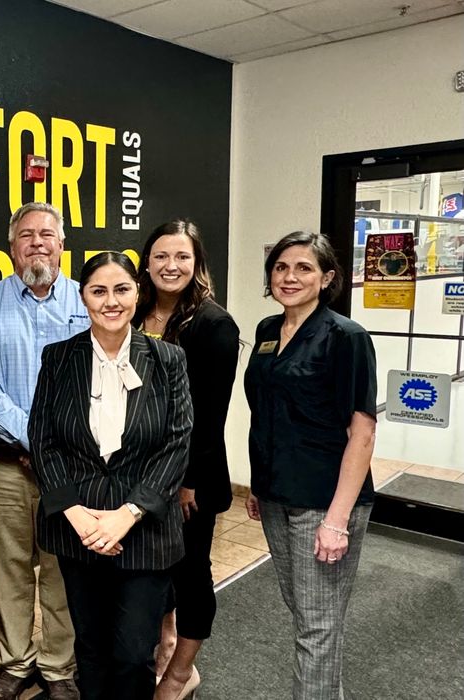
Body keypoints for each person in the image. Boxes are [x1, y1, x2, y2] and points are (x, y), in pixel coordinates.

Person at [28, 251, 192, 700]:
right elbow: (43, 440)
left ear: (138, 293)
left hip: (144, 531)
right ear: (83, 297)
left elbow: (177, 444)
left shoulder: (168, 359)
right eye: (98, 291)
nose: (111, 301)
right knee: (92, 649)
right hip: (78, 531)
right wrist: (78, 515)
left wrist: (128, 514)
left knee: (134, 653)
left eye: (121, 289)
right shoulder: (59, 358)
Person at [244, 231, 377, 700]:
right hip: (277, 494)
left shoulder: (346, 337)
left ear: (327, 278)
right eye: (281, 267)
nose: (290, 276)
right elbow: (268, 413)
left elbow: (362, 431)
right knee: (307, 615)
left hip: (325, 501)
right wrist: (259, 486)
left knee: (317, 627)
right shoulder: (265, 331)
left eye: (304, 268)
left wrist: (337, 521)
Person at [0, 202, 84, 700]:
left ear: (61, 245)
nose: (37, 242)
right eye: (26, 235)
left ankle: (58, 666)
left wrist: (56, 444)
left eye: (47, 234)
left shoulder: (86, 299)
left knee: (61, 567)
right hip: (9, 464)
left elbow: (93, 378)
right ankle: (15, 660)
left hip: (72, 466)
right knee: (9, 568)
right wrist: (36, 438)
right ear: (11, 247)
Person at [131, 221, 240, 700]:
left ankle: (181, 673)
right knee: (157, 569)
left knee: (191, 572)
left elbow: (210, 416)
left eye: (181, 257)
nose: (170, 267)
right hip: (139, 473)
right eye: (160, 257)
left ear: (197, 264)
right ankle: (167, 640)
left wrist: (188, 481)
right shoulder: (134, 313)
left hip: (188, 478)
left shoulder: (215, 325)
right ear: (147, 262)